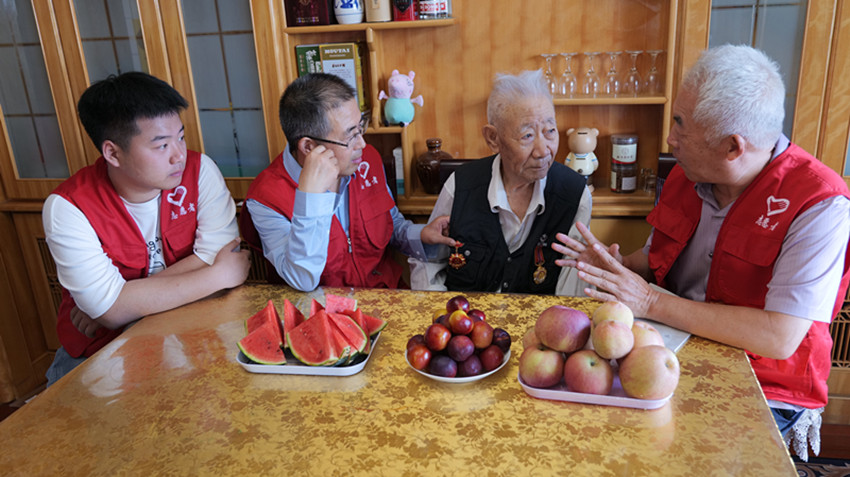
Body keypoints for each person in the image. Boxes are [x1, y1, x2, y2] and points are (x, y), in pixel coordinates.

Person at [554, 45, 850, 459]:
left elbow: (779, 337)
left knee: (693, 460)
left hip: (764, 379)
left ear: (733, 147)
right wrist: (617, 266)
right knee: (587, 441)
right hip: (664, 349)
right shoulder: (687, 174)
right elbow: (656, 257)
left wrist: (649, 300)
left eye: (680, 125)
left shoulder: (820, 203)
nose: (670, 139)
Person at [43, 72, 251, 386]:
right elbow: (111, 312)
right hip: (101, 350)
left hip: (193, 335)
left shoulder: (200, 171)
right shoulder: (68, 208)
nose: (179, 155)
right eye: (161, 145)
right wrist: (218, 275)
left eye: (180, 137)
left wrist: (120, 303)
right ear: (112, 153)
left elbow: (219, 253)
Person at [241, 73, 455, 291]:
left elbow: (391, 225)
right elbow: (302, 279)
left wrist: (421, 234)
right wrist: (311, 196)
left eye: (360, 127)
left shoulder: (367, 160)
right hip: (321, 317)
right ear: (309, 147)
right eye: (350, 135)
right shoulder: (265, 198)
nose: (362, 143)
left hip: (384, 300)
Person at [409, 70, 592, 295]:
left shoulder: (574, 195)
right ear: (493, 138)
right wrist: (442, 320)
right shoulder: (461, 186)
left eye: (550, 131)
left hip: (538, 325)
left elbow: (571, 289)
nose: (543, 150)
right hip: (465, 322)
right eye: (527, 136)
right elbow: (430, 264)